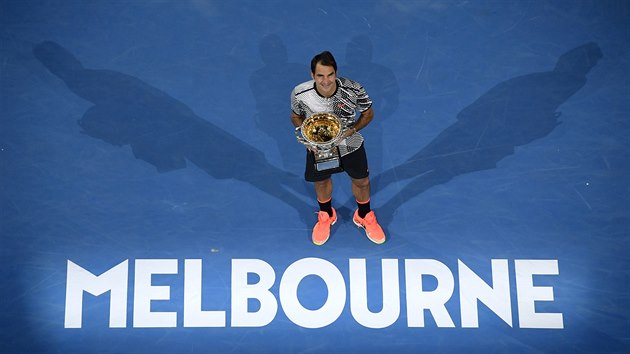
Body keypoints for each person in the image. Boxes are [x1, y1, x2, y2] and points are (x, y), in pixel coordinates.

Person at [290, 51, 386, 245]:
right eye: (320, 75)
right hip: (319, 149)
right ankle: (326, 214)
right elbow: (295, 116)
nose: (326, 80)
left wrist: (353, 130)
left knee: (362, 182)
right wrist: (307, 134)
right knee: (322, 182)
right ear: (312, 75)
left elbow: (368, 113)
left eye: (330, 74)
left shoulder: (353, 89)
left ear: (336, 72)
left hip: (350, 143)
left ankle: (364, 215)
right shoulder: (300, 93)